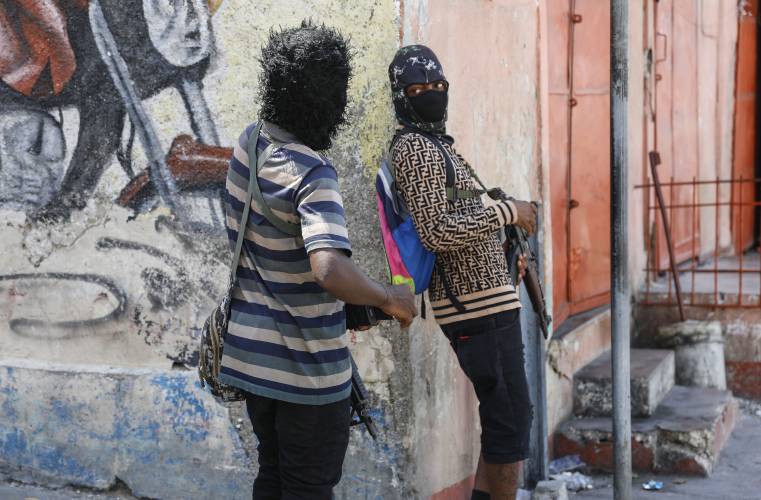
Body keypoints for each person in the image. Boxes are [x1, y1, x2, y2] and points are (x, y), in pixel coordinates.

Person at [221, 22, 417, 499]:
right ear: (329, 96)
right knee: (309, 489)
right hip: (306, 371)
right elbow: (327, 267)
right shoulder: (313, 172)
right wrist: (389, 297)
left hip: (253, 361)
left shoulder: (249, 144)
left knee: (272, 479)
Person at [388, 45, 537, 500]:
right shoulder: (414, 147)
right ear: (400, 95)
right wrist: (508, 212)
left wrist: (505, 250)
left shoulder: (438, 146)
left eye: (438, 87)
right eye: (417, 88)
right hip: (473, 308)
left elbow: (460, 221)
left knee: (504, 419)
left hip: (489, 301)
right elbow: (437, 230)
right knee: (510, 419)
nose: (431, 95)